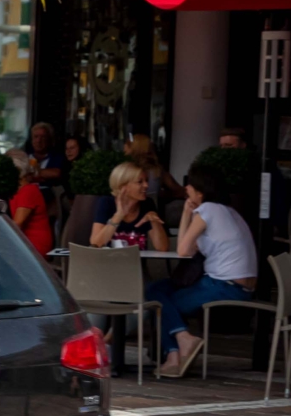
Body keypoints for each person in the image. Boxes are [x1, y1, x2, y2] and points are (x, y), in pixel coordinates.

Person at [151, 162, 259, 378]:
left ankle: (177, 350)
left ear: (199, 190)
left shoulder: (207, 210)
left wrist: (186, 214)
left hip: (223, 285)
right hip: (238, 286)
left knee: (157, 302)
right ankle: (180, 344)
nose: (186, 189)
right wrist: (186, 213)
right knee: (157, 289)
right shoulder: (229, 212)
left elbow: (181, 250)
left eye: (189, 185)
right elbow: (190, 249)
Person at [88, 159, 167, 250]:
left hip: (136, 264)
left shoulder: (147, 204)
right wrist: (118, 216)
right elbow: (95, 244)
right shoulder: (107, 203)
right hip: (109, 263)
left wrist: (155, 222)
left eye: (146, 180)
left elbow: (163, 248)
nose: (146, 185)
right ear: (123, 186)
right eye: (140, 182)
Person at [9, 151, 54, 256]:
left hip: (34, 246)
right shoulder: (17, 191)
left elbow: (17, 225)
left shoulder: (28, 191)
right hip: (24, 244)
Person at [27, 122, 67, 195]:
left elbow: (56, 173)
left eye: (43, 137)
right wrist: (41, 175)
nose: (39, 141)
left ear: (50, 140)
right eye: (36, 137)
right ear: (31, 140)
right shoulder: (24, 156)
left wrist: (30, 174)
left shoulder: (57, 157)